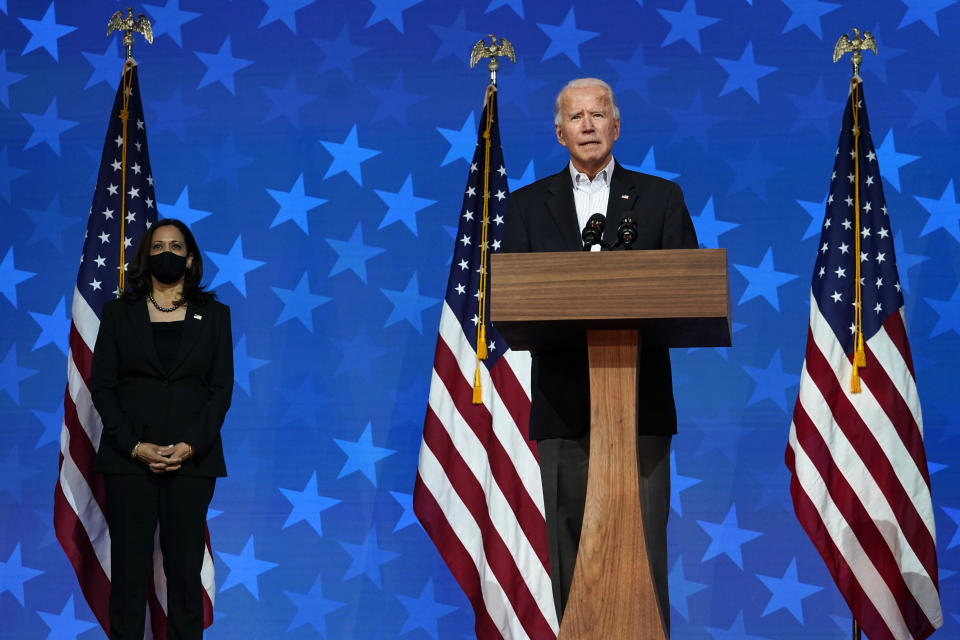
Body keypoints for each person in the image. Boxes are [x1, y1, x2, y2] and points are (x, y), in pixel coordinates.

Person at [501, 78, 698, 631]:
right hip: (564, 411)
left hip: (640, 409)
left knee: (643, 549)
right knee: (571, 552)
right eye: (576, 116)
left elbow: (688, 288)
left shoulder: (661, 199)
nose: (588, 125)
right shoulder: (524, 208)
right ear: (559, 131)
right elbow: (510, 300)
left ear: (617, 125)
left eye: (599, 114)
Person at [90, 218, 233, 639]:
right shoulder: (118, 314)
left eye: (175, 246)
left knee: (184, 575)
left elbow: (221, 390)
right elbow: (103, 385)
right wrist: (134, 446)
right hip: (128, 460)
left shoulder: (216, 316)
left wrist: (189, 446)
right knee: (129, 576)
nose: (166, 253)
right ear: (144, 258)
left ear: (189, 258)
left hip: (192, 461)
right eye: (157, 247)